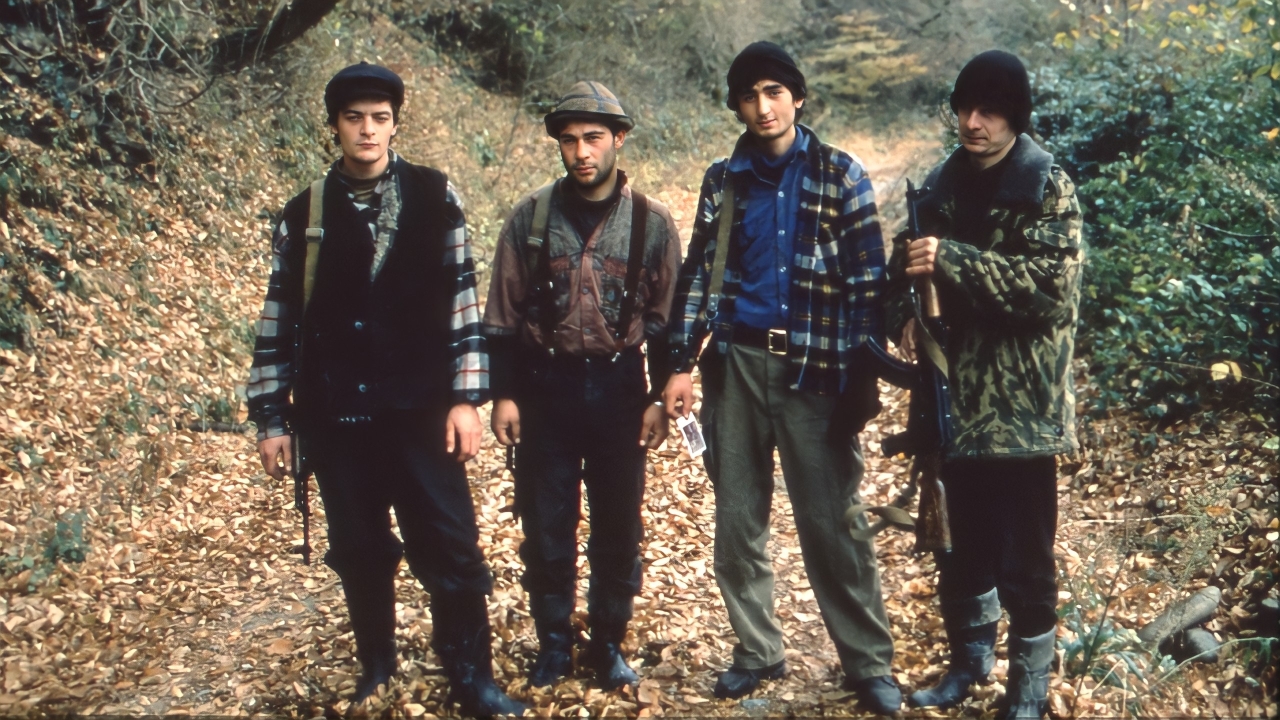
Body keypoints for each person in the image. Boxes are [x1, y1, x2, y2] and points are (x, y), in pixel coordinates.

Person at [246, 62, 525, 715]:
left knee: (451, 541)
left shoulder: (435, 195)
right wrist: (270, 418)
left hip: (422, 409)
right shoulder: (304, 212)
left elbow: (463, 300)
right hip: (336, 413)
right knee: (359, 547)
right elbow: (279, 317)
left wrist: (465, 398)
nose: (366, 130)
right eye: (353, 118)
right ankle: (376, 668)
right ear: (335, 125)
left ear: (395, 123)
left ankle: (471, 675)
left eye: (379, 117)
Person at [662, 42, 900, 713]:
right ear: (736, 105)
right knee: (738, 521)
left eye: (774, 92)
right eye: (748, 95)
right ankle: (757, 650)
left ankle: (868, 661)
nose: (762, 108)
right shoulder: (724, 179)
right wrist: (679, 363)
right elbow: (696, 276)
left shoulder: (840, 174)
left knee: (834, 524)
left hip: (816, 368)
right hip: (735, 366)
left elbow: (868, 288)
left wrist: (862, 378)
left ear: (798, 97)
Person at [890, 50, 1084, 720]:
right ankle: (969, 664)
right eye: (965, 108)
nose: (973, 123)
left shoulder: (1045, 186)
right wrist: (907, 316)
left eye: (990, 111)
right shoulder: (940, 186)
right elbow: (902, 266)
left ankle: (1027, 691)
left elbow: (1049, 293)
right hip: (951, 402)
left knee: (1026, 562)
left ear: (1014, 116)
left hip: (1022, 413)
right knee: (958, 546)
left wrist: (954, 260)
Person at [483, 81, 681, 690]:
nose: (581, 152)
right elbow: (502, 316)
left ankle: (607, 641)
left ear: (619, 139)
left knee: (619, 526)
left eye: (594, 137)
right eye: (568, 140)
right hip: (547, 390)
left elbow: (670, 319)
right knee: (547, 524)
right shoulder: (531, 218)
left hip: (621, 391)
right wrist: (506, 393)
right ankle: (552, 642)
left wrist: (657, 398)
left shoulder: (652, 223)